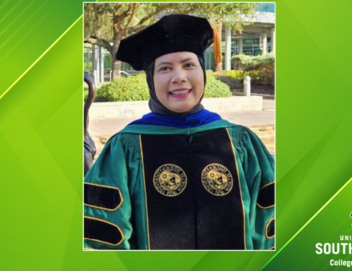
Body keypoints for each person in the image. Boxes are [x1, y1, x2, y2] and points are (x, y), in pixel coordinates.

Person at [84, 14, 275, 250]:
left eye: (189, 65)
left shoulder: (242, 142)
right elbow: (103, 235)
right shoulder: (125, 147)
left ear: (202, 73)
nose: (179, 77)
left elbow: (270, 224)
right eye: (164, 68)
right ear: (151, 81)